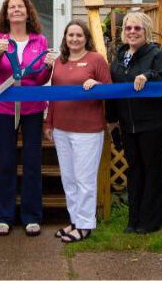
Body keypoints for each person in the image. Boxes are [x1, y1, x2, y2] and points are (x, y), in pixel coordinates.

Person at [0, 0, 54, 237]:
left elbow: (39, 79)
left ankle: (32, 216)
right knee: (6, 162)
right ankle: (4, 216)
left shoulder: (40, 40)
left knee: (32, 162)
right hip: (5, 107)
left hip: (33, 107)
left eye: (20, 7)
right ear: (6, 13)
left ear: (27, 12)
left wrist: (47, 68)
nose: (15, 10)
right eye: (11, 7)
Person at [105, 11, 162, 234]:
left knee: (152, 169)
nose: (132, 32)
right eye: (128, 28)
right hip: (128, 124)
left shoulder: (155, 55)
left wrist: (148, 76)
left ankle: (151, 221)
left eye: (137, 28)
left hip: (154, 123)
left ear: (146, 31)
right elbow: (113, 92)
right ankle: (133, 220)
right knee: (134, 170)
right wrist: (112, 120)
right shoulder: (119, 58)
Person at [44, 19, 111, 243]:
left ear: (86, 38)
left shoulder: (96, 59)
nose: (74, 39)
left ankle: (85, 225)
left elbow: (109, 90)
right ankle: (74, 220)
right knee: (69, 178)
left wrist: (97, 86)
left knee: (84, 179)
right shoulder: (60, 63)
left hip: (88, 130)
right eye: (70, 35)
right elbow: (54, 95)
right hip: (62, 128)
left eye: (79, 35)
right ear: (65, 39)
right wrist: (49, 123)